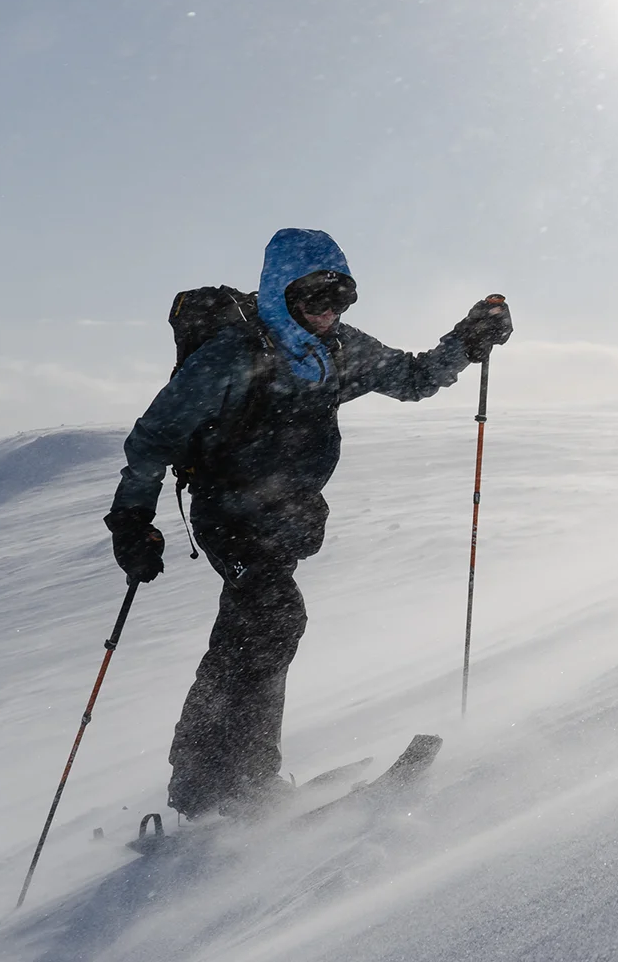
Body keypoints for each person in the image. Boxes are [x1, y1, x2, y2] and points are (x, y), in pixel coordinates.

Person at [104, 228, 511, 818]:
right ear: (279, 293)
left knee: (252, 632)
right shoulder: (234, 355)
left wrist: (467, 341)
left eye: (341, 299)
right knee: (271, 618)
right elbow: (153, 439)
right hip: (229, 516)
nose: (327, 313)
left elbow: (415, 378)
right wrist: (131, 520)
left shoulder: (338, 351)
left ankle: (216, 784)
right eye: (314, 299)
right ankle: (231, 786)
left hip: (286, 519)